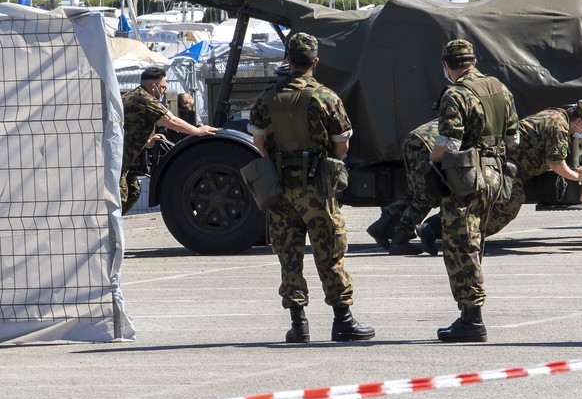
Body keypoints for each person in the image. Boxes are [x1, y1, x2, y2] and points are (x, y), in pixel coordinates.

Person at [247, 32, 374, 344]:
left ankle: (298, 324)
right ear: (315, 62)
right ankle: (343, 322)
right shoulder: (326, 97)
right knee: (329, 253)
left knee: (289, 256)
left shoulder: (267, 98)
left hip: (280, 189)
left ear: (287, 59)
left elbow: (258, 142)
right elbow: (342, 144)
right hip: (317, 188)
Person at [415, 100, 582, 254]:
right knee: (506, 206)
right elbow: (556, 164)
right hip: (506, 165)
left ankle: (437, 230)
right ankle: (450, 234)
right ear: (579, 120)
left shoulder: (556, 115)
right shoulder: (559, 126)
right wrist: (576, 176)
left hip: (505, 163)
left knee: (487, 204)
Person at [430, 38, 518, 343]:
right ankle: (470, 315)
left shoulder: (456, 95)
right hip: (496, 177)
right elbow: (513, 139)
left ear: (446, 66)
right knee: (475, 243)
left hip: (468, 179)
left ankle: (472, 320)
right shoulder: (500, 89)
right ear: (473, 61)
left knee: (460, 248)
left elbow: (449, 144)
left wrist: (432, 161)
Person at [121, 67, 217, 214]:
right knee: (119, 197)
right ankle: (105, 232)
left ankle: (109, 229)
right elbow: (171, 121)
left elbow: (129, 127)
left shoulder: (132, 95)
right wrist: (198, 131)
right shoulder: (146, 99)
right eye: (163, 87)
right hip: (118, 161)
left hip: (122, 158)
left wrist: (147, 141)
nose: (165, 91)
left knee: (133, 191)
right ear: (154, 86)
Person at [366, 119, 440, 255]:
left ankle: (382, 225)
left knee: (414, 195)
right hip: (427, 144)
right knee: (425, 198)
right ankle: (400, 240)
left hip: (416, 139)